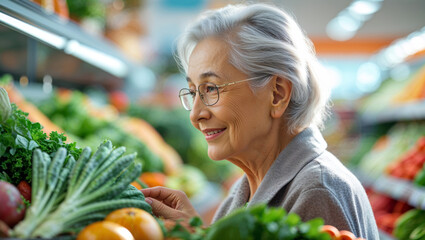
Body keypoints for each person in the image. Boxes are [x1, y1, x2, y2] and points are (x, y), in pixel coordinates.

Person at [141, 3, 379, 239]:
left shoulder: (317, 191)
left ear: (277, 94)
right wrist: (197, 233)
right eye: (193, 92)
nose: (195, 114)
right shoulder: (245, 189)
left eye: (211, 89)